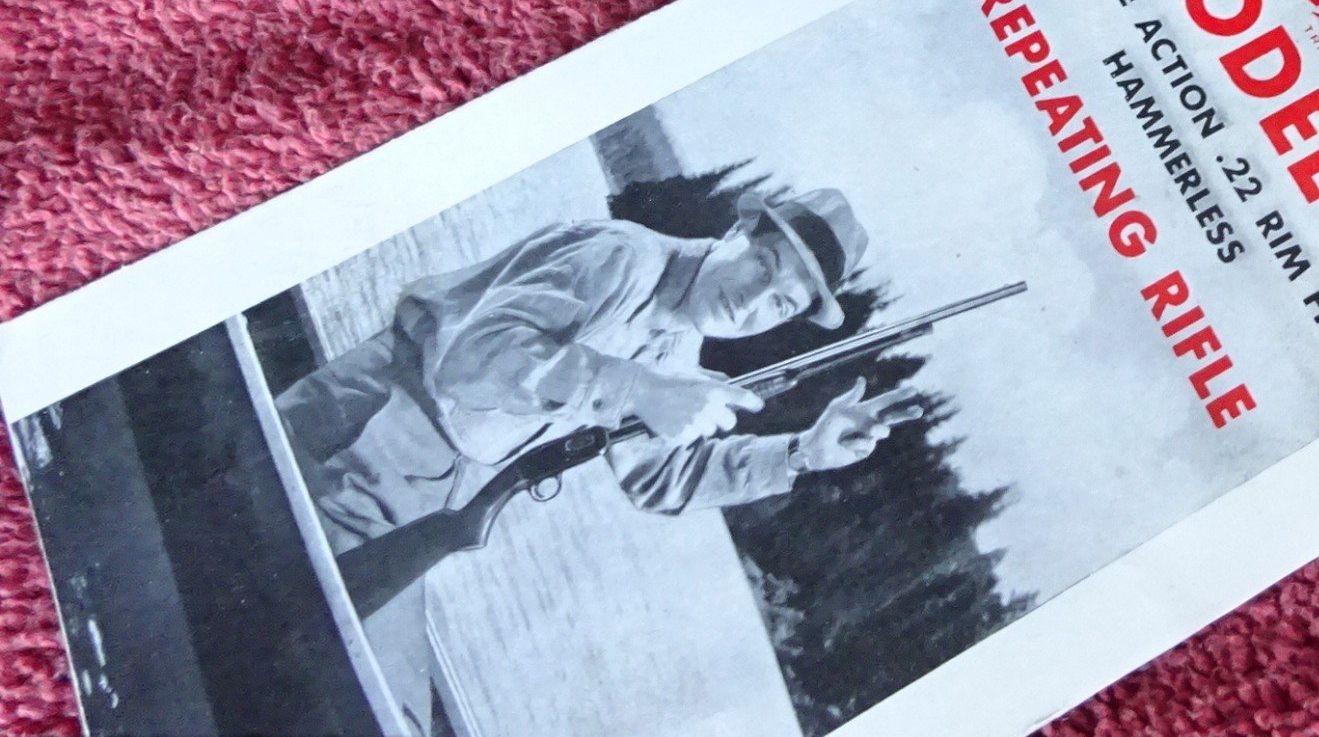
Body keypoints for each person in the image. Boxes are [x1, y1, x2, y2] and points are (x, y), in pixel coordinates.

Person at [277, 188, 914, 554]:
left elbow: (659, 476)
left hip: (430, 492)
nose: (750, 301)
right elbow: (470, 359)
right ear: (737, 234)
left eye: (780, 303)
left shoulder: (677, 350)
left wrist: (800, 454)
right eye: (762, 267)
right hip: (371, 422)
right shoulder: (621, 258)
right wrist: (634, 388)